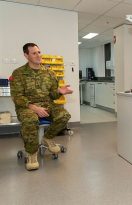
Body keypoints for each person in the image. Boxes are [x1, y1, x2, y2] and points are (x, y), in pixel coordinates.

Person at [10, 43, 73, 171]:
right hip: (26, 107)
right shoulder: (18, 73)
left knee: (64, 115)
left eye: (39, 52)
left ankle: (47, 138)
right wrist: (33, 107)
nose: (38, 55)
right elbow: (17, 97)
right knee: (31, 120)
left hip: (47, 105)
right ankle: (32, 153)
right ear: (26, 55)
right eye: (34, 53)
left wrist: (60, 92)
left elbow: (52, 95)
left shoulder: (49, 73)